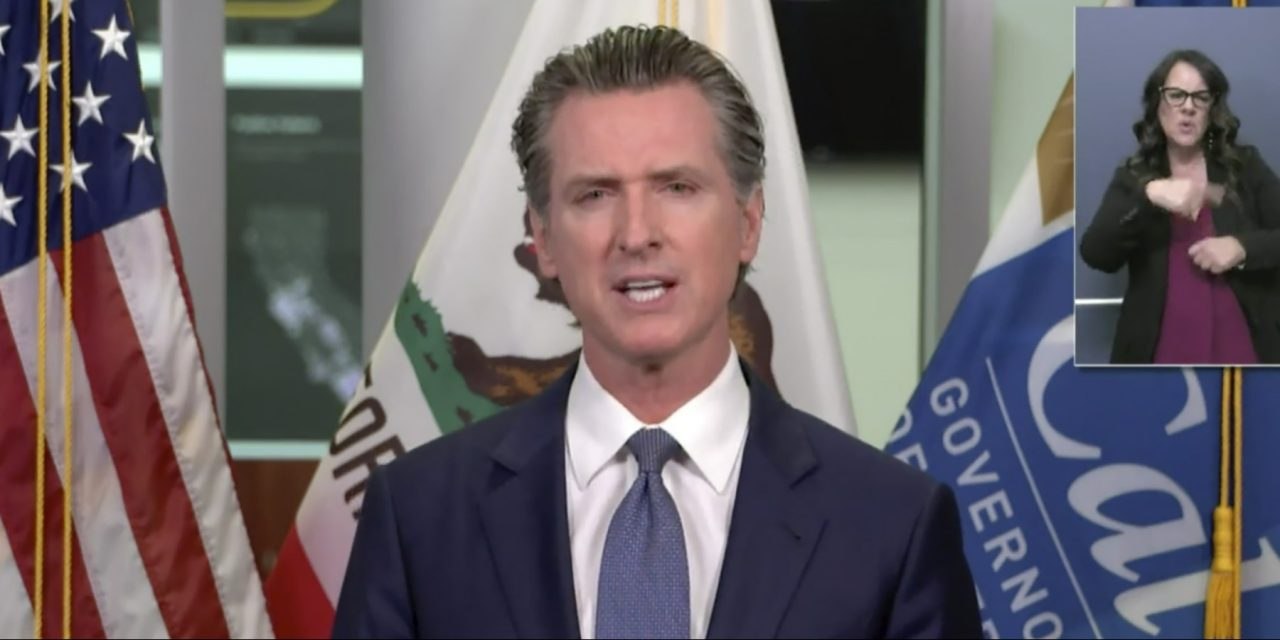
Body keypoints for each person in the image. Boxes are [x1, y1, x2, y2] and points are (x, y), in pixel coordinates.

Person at [332, 25, 981, 639]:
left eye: (676, 187)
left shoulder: (893, 525)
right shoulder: (417, 517)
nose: (637, 233)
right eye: (595, 194)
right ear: (542, 237)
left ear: (748, 223)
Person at [1080, 49, 1280, 365]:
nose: (1188, 107)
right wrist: (1147, 196)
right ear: (1157, 103)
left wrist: (1242, 248)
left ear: (1212, 108)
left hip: (1244, 348)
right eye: (1176, 95)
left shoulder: (1244, 166)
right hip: (1160, 354)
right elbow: (1096, 254)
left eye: (1200, 97)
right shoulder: (1134, 177)